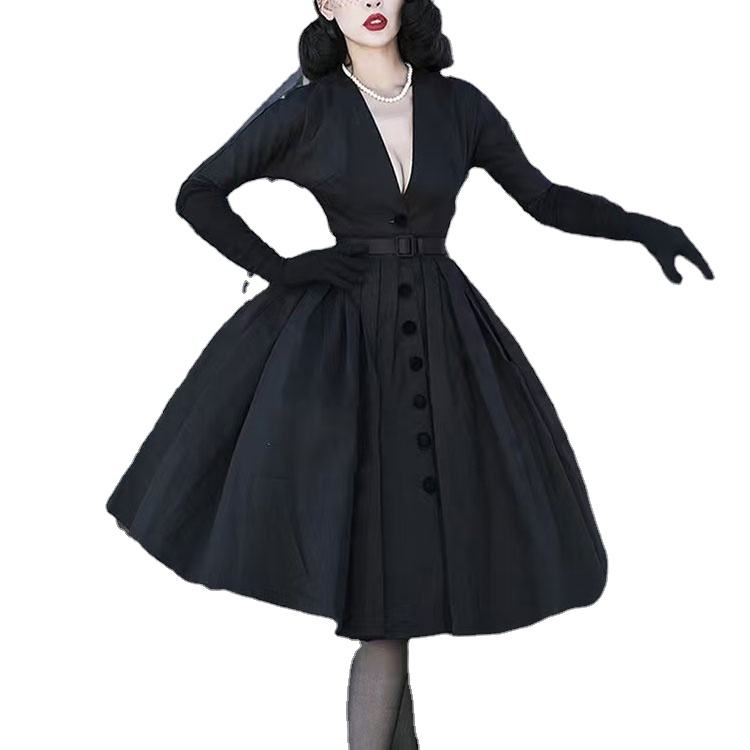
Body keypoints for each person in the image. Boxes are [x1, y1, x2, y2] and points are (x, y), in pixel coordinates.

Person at [105, 1, 713, 747]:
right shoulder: (312, 109)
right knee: (384, 599)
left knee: (400, 593)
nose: (369, 2)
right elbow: (198, 193)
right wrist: (282, 268)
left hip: (445, 344)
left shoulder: (459, 106)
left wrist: (643, 228)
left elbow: (543, 197)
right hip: (346, 354)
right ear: (325, 5)